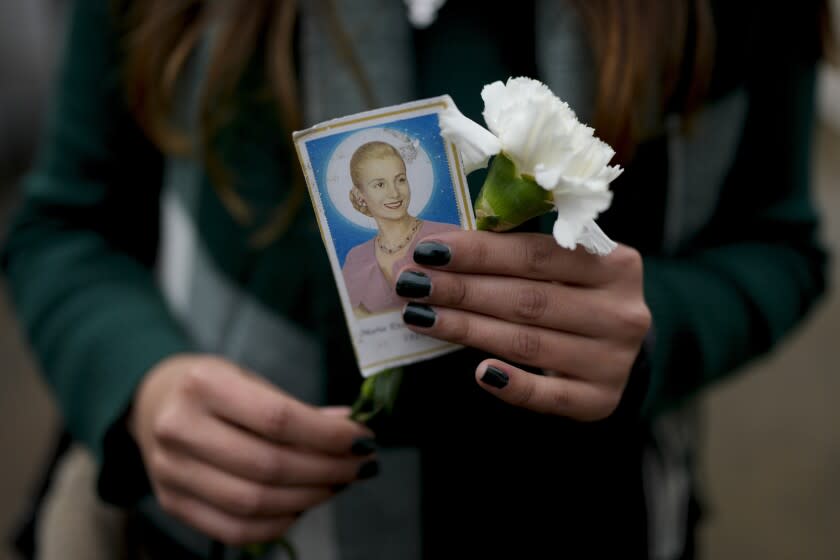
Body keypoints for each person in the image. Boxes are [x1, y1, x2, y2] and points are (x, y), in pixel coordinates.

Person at [1, 0, 831, 558]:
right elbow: (64, 224)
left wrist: (658, 330)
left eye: (402, 183)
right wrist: (145, 385)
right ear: (362, 194)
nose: (396, 195)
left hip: (595, 519)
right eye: (381, 189)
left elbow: (780, 243)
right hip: (223, 528)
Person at [341, 140, 459, 316]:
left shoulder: (448, 235)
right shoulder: (355, 259)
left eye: (400, 180)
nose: (395, 193)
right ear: (360, 195)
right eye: (380, 184)